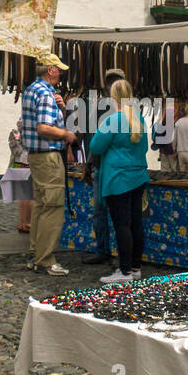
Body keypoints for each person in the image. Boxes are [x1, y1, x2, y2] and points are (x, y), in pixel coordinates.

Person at [21, 54, 78, 276]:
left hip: (36, 156)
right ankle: (45, 259)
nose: (61, 73)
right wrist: (67, 135)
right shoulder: (45, 93)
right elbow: (44, 128)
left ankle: (36, 254)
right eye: (59, 69)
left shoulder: (32, 90)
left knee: (42, 206)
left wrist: (61, 110)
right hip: (48, 156)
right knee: (53, 208)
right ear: (51, 70)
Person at [88, 79, 150, 283]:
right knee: (135, 223)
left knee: (121, 225)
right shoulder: (138, 119)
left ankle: (124, 272)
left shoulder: (111, 121)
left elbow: (96, 147)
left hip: (117, 178)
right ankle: (135, 267)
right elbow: (144, 149)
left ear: (113, 98)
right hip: (138, 176)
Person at [83, 67, 127, 266]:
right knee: (109, 212)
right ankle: (109, 251)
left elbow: (95, 140)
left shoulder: (112, 107)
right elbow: (93, 137)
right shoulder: (104, 106)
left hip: (112, 167)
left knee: (110, 212)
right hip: (113, 166)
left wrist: (90, 163)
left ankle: (111, 251)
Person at [8, 118, 32, 233]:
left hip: (18, 156)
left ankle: (22, 223)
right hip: (27, 157)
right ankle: (28, 223)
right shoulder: (33, 117)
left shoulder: (22, 117)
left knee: (23, 193)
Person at [156, 98, 179, 175]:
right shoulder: (176, 116)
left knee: (165, 172)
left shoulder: (162, 117)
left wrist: (160, 149)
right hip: (171, 149)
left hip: (163, 149)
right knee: (174, 172)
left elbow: (159, 134)